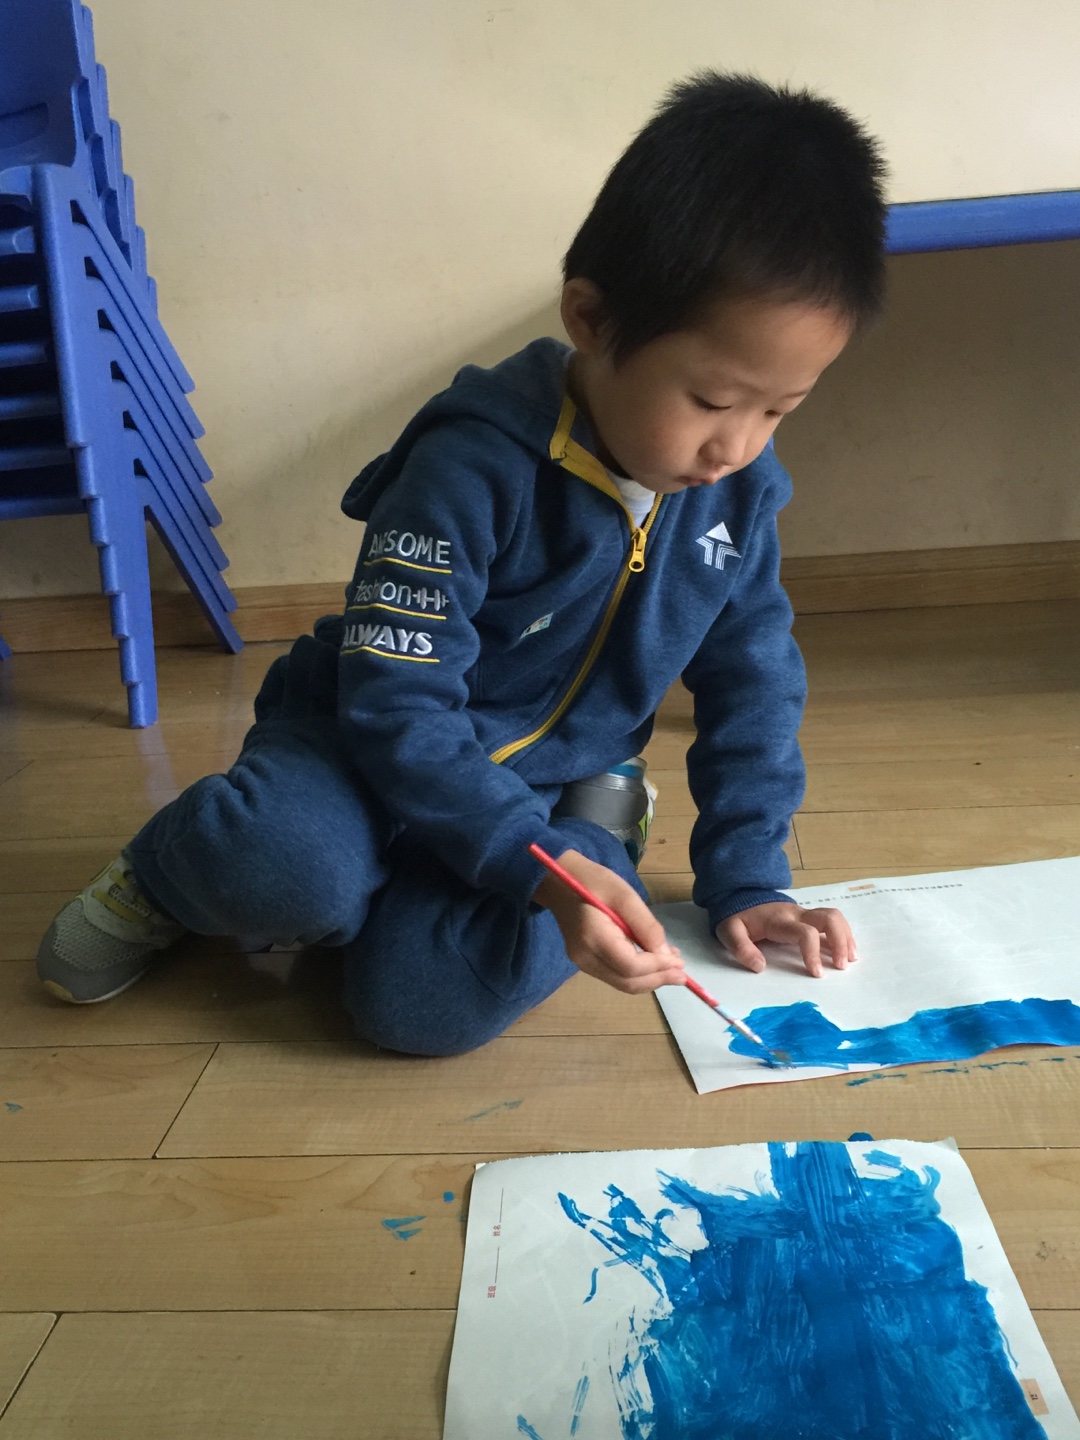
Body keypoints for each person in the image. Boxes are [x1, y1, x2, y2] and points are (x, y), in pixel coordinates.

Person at [37, 71, 886, 1054]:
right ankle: (165, 873)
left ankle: (573, 835)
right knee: (281, 865)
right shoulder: (467, 465)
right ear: (591, 319)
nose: (736, 446)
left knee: (422, 1009)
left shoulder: (739, 496)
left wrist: (748, 877)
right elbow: (395, 705)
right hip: (360, 747)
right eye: (712, 400)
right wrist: (532, 869)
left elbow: (755, 685)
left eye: (779, 410)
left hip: (552, 785)